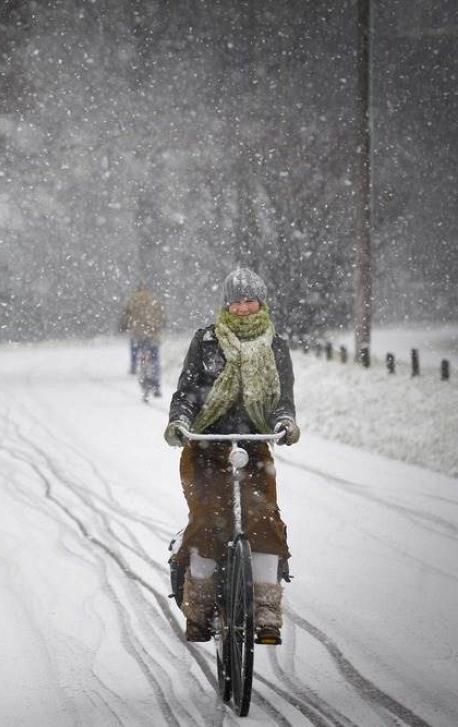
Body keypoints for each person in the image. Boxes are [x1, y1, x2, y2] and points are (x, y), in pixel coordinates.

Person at [163, 267, 301, 645]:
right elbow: (187, 391)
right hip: (207, 444)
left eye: (249, 299)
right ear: (227, 303)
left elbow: (282, 399)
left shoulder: (276, 345)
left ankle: (266, 613)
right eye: (236, 300)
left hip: (254, 445)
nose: (243, 307)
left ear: (261, 302)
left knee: (264, 520)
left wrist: (285, 421)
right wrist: (181, 420)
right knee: (208, 518)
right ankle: (200, 612)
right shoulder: (206, 341)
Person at [120, 284, 166, 395]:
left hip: (138, 333)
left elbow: (125, 316)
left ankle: (137, 367)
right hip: (153, 333)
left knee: (139, 352)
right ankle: (156, 384)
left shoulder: (132, 300)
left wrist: (124, 326)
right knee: (154, 359)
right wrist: (160, 325)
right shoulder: (155, 300)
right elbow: (162, 316)